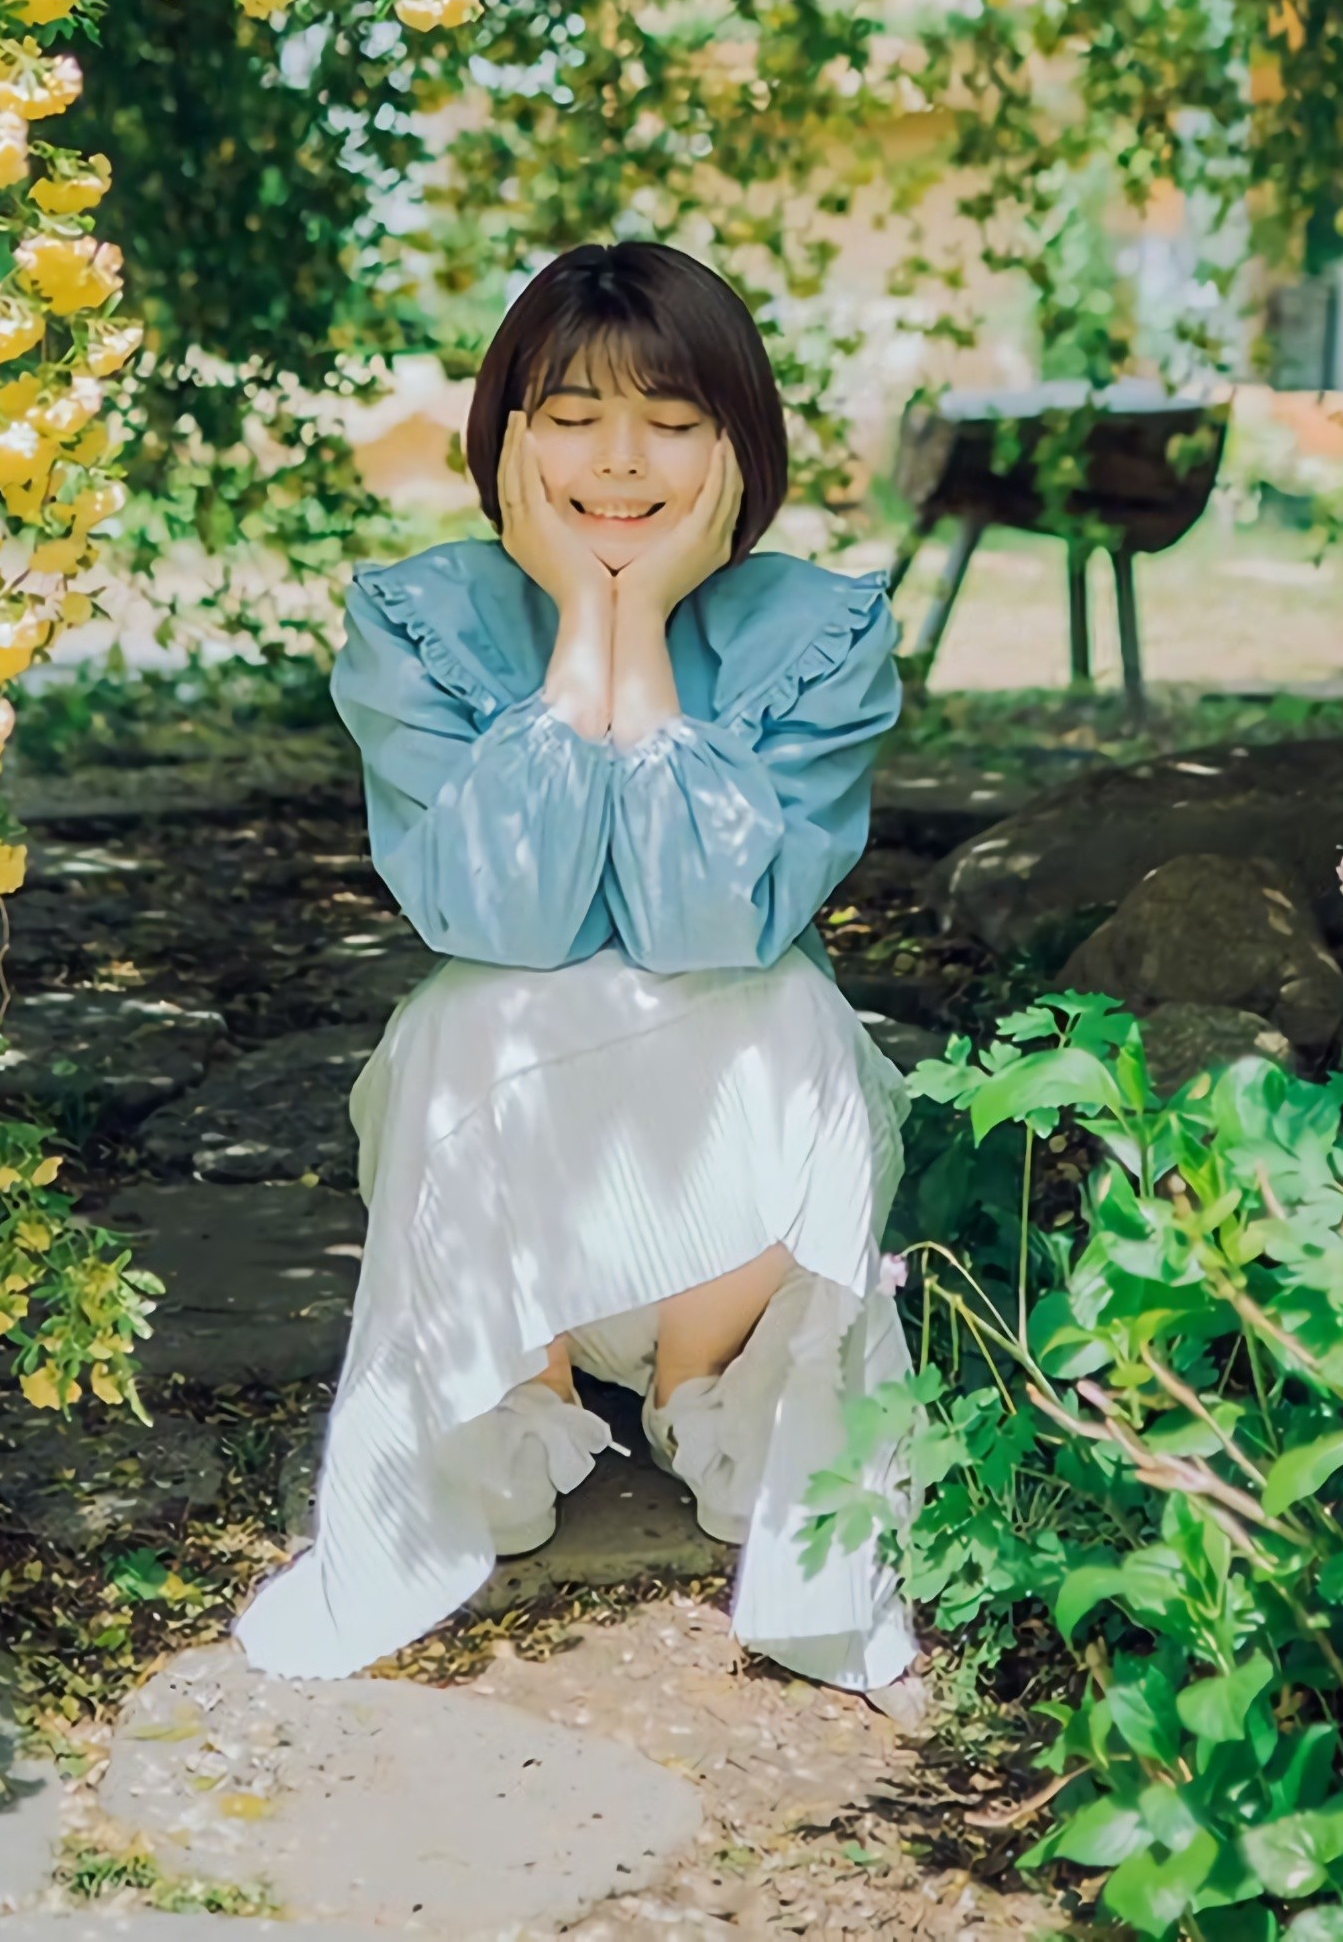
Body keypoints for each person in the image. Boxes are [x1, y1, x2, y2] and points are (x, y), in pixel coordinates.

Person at [234, 239, 918, 1699]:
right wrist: (577, 637)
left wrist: (645, 622)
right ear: (508, 435)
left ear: (739, 444)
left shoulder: (822, 632)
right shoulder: (416, 619)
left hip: (719, 1207)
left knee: (786, 1005)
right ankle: (523, 1396)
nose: (621, 460)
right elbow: (504, 919)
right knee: (470, 1011)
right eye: (571, 415)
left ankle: (694, 1390)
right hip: (523, 1192)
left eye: (673, 420)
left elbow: (708, 923)